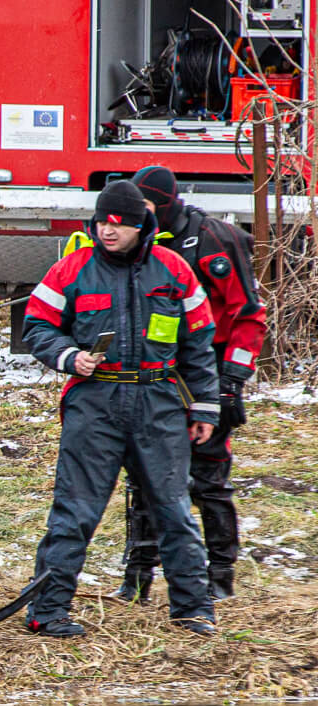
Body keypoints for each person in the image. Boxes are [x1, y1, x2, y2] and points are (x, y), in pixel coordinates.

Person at [21, 180, 220, 639]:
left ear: (139, 225)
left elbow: (199, 343)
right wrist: (69, 357)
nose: (108, 232)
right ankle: (47, 612)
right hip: (95, 403)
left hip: (160, 403)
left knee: (174, 509)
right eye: (101, 223)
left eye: (118, 224)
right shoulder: (71, 270)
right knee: (75, 512)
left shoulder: (173, 270)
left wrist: (205, 408)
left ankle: (193, 608)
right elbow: (37, 326)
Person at [116, 165, 266, 603]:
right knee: (142, 476)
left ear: (162, 206)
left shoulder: (213, 240)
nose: (130, 221)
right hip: (154, 373)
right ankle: (138, 574)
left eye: (140, 210)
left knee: (208, 479)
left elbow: (249, 314)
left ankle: (220, 576)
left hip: (209, 371)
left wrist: (232, 380)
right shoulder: (136, 245)